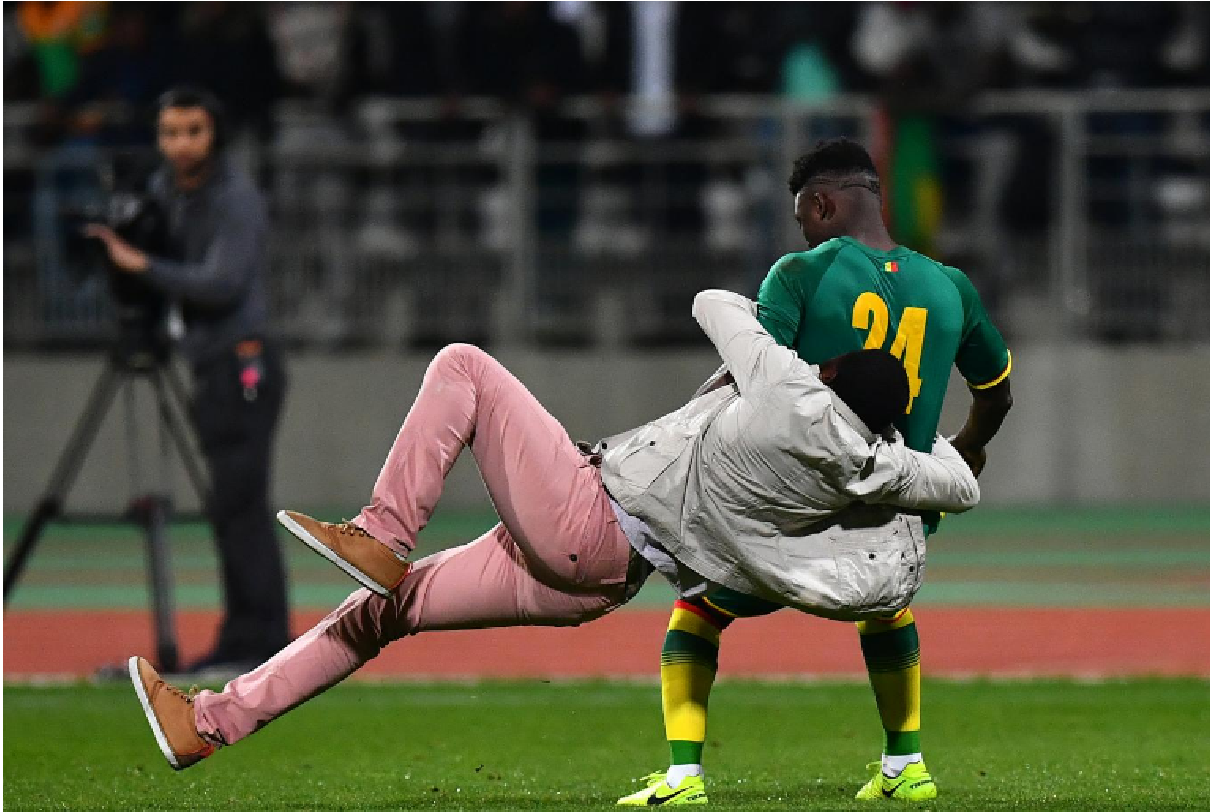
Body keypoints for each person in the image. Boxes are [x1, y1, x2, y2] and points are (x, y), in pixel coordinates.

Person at [128, 288, 979, 778]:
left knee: (463, 365)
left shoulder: (788, 394)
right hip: (604, 578)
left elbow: (715, 304)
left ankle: (383, 532)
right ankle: (209, 724)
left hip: (590, 514)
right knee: (382, 613)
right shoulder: (869, 465)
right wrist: (918, 447)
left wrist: (789, 309)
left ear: (828, 378)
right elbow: (961, 484)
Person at [627, 138, 1013, 806]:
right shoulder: (950, 288)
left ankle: (684, 777)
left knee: (697, 610)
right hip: (891, 516)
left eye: (803, 215)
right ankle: (906, 766)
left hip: (793, 514)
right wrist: (968, 448)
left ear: (823, 203)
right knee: (888, 610)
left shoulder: (799, 275)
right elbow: (997, 394)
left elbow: (755, 382)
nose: (802, 229)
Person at [85, 87, 290, 674]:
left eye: (193, 131)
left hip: (243, 362)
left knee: (241, 506)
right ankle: (246, 639)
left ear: (215, 135)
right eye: (170, 133)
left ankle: (260, 641)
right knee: (230, 507)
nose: (180, 145)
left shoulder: (235, 198)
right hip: (210, 364)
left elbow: (222, 283)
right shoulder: (168, 194)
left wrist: (143, 265)